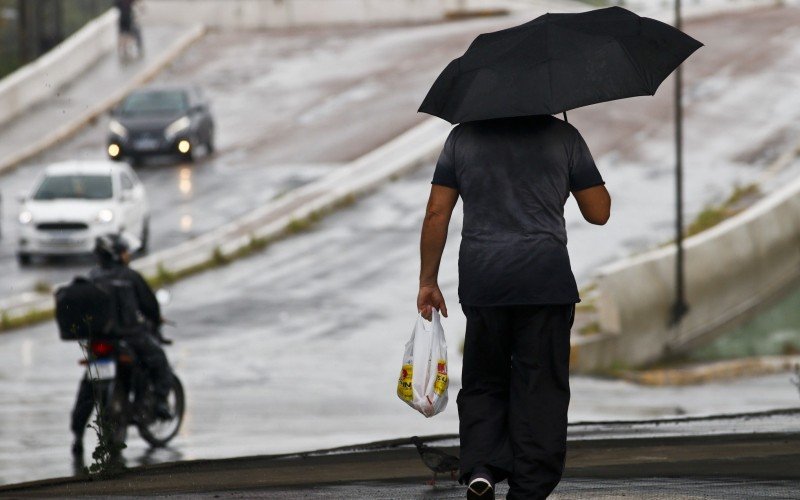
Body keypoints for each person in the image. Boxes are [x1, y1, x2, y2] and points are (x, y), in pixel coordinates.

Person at [417, 115, 611, 500]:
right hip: (545, 283)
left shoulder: (462, 140)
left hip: (484, 281)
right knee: (540, 388)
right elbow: (599, 212)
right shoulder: (564, 137)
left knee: (484, 381)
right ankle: (529, 487)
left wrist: (427, 281)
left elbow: (437, 212)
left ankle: (481, 468)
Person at [70, 233, 170, 455]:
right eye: (125, 251)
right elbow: (150, 306)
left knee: (88, 387)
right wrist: (155, 319)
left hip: (98, 341)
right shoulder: (130, 276)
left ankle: (77, 435)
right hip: (130, 337)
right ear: (117, 254)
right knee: (159, 359)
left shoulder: (92, 277)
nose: (128, 255)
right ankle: (162, 403)